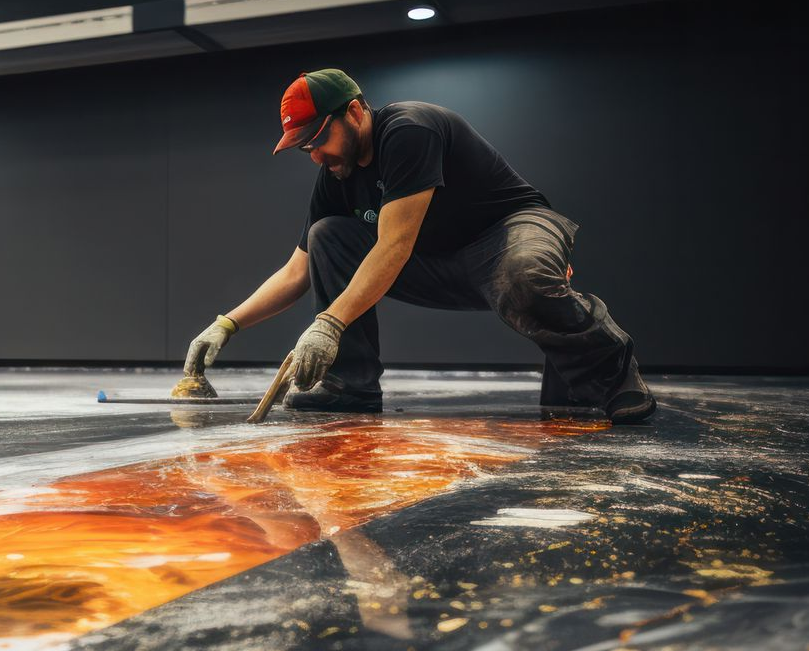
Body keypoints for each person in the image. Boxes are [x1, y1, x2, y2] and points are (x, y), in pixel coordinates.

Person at [175, 68, 653, 423]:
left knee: (523, 273)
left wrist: (327, 324)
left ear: (357, 112)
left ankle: (616, 382)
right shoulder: (335, 175)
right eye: (305, 147)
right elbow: (297, 270)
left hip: (508, 233)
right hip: (439, 260)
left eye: (320, 138)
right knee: (329, 236)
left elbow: (396, 244)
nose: (315, 154)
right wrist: (226, 324)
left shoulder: (408, 130)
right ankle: (349, 386)